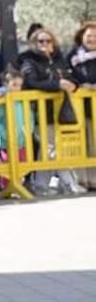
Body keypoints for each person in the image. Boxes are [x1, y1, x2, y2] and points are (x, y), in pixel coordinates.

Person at [19, 27, 84, 195]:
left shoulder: (59, 60)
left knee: (49, 149)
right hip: (40, 113)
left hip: (60, 113)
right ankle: (68, 182)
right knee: (51, 149)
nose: (45, 44)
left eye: (48, 41)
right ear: (34, 43)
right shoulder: (28, 61)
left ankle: (41, 184)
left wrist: (73, 85)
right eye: (41, 41)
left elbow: (71, 77)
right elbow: (31, 83)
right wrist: (57, 85)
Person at [0, 68, 33, 192]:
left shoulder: (22, 100)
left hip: (22, 139)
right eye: (14, 85)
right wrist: (5, 134)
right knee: (7, 164)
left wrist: (28, 131)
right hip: (6, 141)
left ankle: (18, 184)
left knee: (22, 162)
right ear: (6, 84)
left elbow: (30, 116)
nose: (17, 88)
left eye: (20, 85)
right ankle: (6, 187)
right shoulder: (1, 102)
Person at [68, 21, 96, 190]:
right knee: (80, 144)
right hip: (78, 108)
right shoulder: (73, 55)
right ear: (81, 37)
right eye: (88, 36)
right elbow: (66, 73)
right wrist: (79, 85)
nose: (92, 39)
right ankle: (82, 180)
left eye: (95, 36)